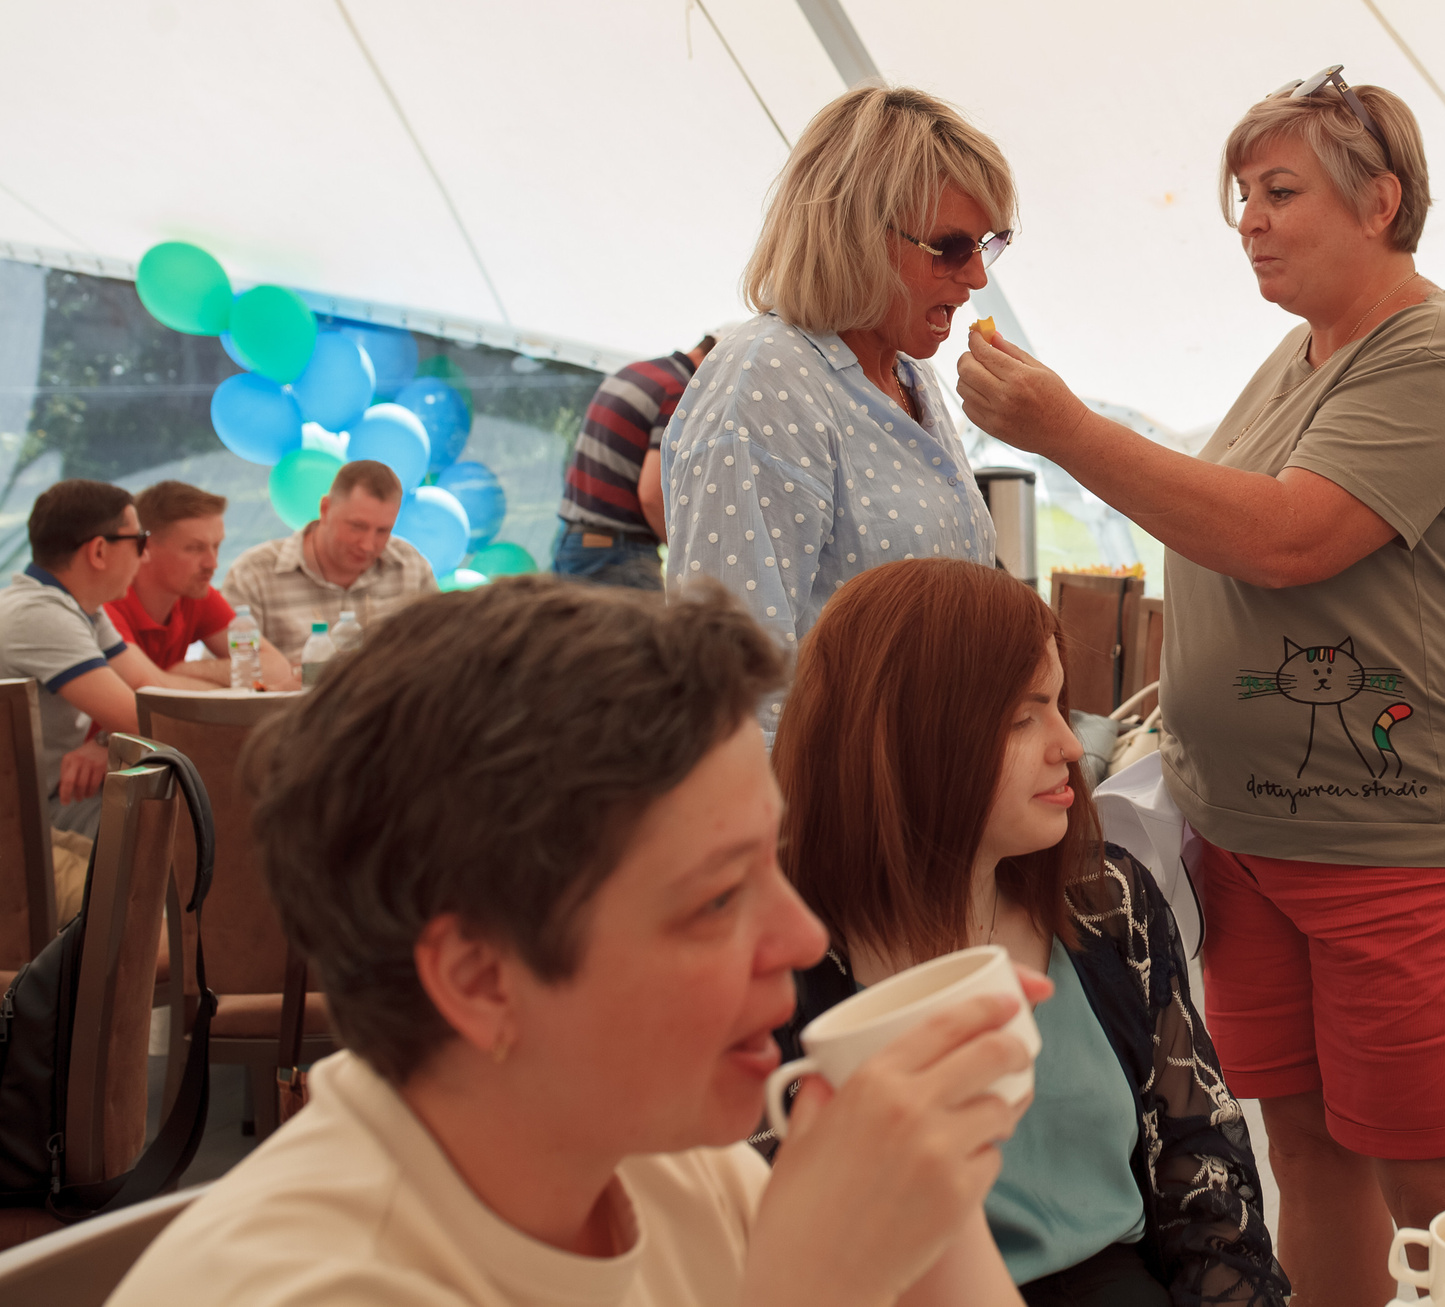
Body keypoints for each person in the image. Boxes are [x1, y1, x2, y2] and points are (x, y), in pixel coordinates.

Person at [958, 66, 1445, 1307]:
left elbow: (1284, 538)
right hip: (1257, 837)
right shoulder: (1300, 354)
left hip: (1398, 848)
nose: (1249, 221)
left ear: (1379, 201)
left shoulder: (1436, 350)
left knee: (1441, 1186)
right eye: (1243, 195)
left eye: (1279, 191)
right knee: (1307, 1150)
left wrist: (1060, 428)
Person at [111, 577, 1042, 1307]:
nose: (801, 937)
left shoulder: (661, 1163)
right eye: (718, 899)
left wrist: (928, 1195)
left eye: (776, 860)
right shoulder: (314, 1282)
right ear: (480, 979)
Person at [774, 558, 1286, 1307]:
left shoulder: (1107, 900)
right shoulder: (780, 958)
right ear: (908, 738)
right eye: (1022, 716)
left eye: (1059, 705)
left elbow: (1206, 1178)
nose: (1071, 746)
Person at [662, 87, 1012, 732]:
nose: (977, 277)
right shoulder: (766, 378)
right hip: (840, 817)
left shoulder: (908, 373)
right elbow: (733, 689)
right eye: (951, 247)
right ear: (854, 233)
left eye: (989, 244)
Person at [0, 480, 156, 837]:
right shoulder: (39, 614)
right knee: (187, 824)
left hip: (53, 797)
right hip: (27, 819)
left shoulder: (78, 608)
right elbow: (144, 720)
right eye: (140, 541)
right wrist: (109, 743)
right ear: (99, 551)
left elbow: (156, 687)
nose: (145, 556)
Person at [221, 458, 437, 671]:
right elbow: (232, 673)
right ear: (325, 509)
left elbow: (441, 657)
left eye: (383, 531)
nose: (368, 545)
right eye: (357, 526)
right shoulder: (253, 574)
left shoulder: (411, 567)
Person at [554, 332, 717, 588]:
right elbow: (651, 496)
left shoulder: (637, 370)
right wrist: (688, 557)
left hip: (574, 541)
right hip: (617, 554)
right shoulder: (678, 392)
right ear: (716, 358)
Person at [105, 480, 296, 686]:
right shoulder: (107, 601)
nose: (212, 563)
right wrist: (234, 685)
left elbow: (277, 668)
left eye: (216, 546)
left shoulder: (193, 591)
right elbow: (149, 688)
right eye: (194, 548)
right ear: (145, 548)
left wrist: (188, 670)